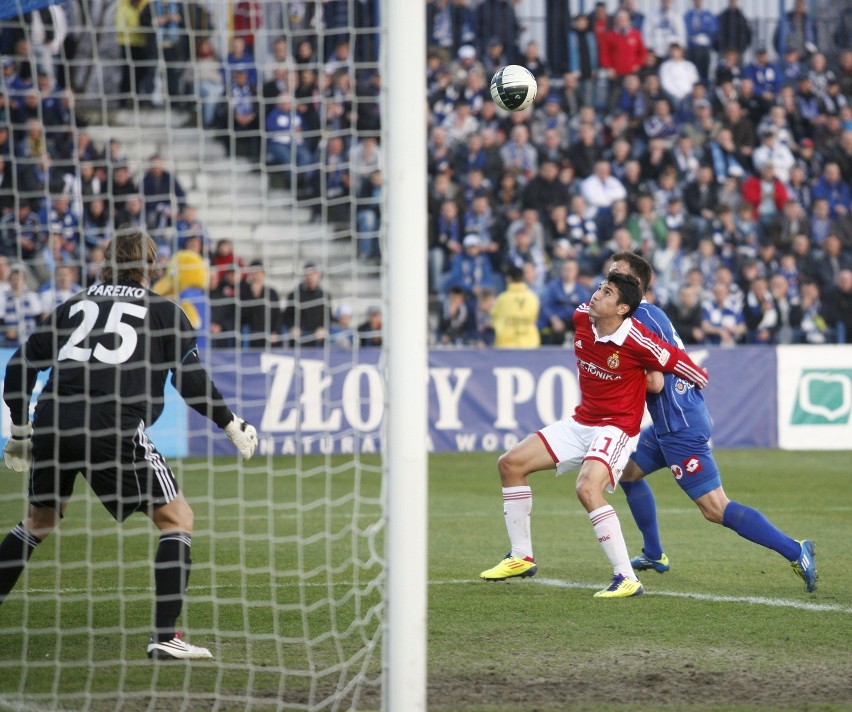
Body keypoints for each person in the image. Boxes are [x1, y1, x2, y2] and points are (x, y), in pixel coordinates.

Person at [0, 229, 259, 660]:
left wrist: (21, 431)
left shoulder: (72, 305)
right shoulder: (163, 311)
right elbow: (190, 380)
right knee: (177, 518)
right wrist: (230, 423)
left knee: (38, 522)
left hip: (53, 421)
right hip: (112, 425)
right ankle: (165, 637)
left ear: (105, 261)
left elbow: (20, 364)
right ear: (151, 266)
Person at [480, 271, 709, 597]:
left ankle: (626, 577)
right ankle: (521, 556)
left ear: (622, 309)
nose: (596, 295)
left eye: (607, 292)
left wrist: (699, 378)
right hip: (582, 422)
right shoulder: (581, 317)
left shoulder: (638, 340)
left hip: (617, 428)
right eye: (600, 288)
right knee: (510, 464)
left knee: (588, 487)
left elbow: (674, 360)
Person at [607, 251, 817, 592]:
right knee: (628, 474)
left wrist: (612, 374)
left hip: (679, 426)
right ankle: (654, 553)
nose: (609, 280)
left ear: (637, 284)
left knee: (715, 508)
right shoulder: (646, 315)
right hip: (671, 422)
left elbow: (655, 381)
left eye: (617, 275)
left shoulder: (639, 322)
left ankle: (796, 550)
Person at [282, 262, 333, 347]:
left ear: (318, 275)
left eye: (312, 274)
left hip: (318, 337)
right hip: (299, 336)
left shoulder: (325, 296)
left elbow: (329, 317)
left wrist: (324, 328)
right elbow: (287, 316)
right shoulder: (294, 295)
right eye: (307, 274)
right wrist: (292, 328)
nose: (310, 277)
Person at [490, 265, 540, 348]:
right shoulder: (533, 297)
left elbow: (493, 317)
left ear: (508, 279)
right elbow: (535, 319)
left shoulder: (502, 298)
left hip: (505, 345)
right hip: (529, 343)